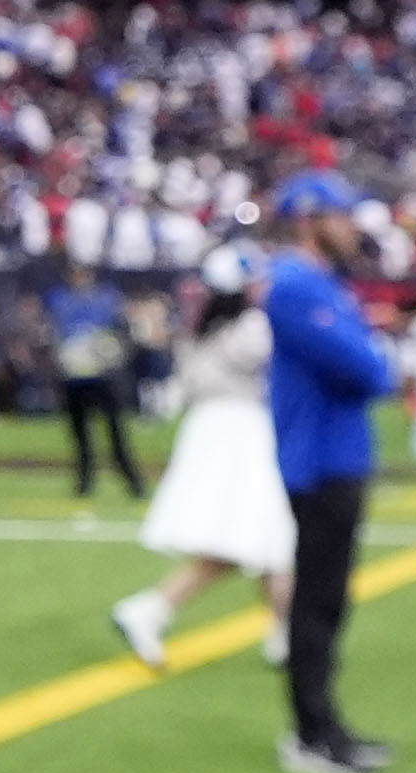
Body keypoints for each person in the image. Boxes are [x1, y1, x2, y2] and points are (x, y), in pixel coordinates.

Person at [260, 173, 402, 773]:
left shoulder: (322, 285)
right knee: (316, 602)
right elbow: (366, 368)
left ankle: (326, 726)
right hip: (317, 460)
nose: (350, 229)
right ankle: (310, 735)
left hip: (339, 457)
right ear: (309, 221)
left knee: (331, 599)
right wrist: (375, 358)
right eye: (340, 217)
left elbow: (370, 365)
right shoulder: (295, 285)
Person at [114, 249, 295, 672]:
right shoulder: (251, 327)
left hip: (212, 431)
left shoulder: (202, 327)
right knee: (264, 536)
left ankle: (284, 635)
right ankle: (152, 610)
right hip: (241, 432)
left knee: (261, 540)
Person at [54, 269, 144, 500]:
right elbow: (60, 334)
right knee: (81, 437)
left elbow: (120, 331)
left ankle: (134, 482)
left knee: (115, 434)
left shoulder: (105, 299)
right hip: (75, 378)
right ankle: (84, 483)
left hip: (102, 377)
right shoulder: (63, 301)